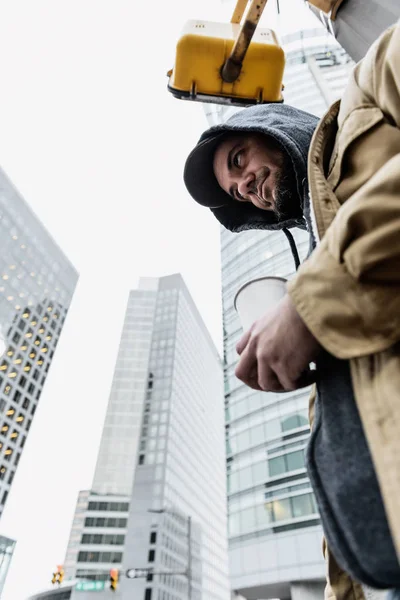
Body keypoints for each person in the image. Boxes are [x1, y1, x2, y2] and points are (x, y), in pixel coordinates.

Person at [183, 19, 400, 600]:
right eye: (237, 194)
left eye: (237, 160)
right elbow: (345, 452)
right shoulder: (317, 286)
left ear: (268, 124)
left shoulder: (373, 81)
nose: (245, 186)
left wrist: (307, 308)